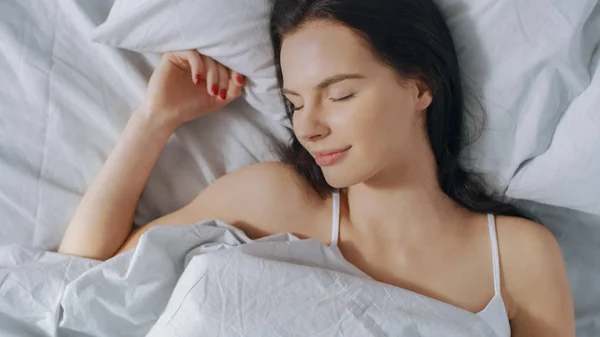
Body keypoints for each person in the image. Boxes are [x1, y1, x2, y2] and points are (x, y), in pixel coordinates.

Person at [59, 0, 575, 335]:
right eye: (294, 102)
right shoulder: (274, 201)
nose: (309, 128)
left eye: (341, 94)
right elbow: (82, 284)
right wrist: (155, 119)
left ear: (420, 87)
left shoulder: (518, 258)